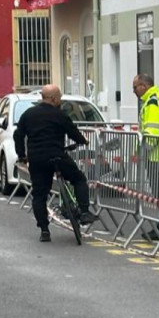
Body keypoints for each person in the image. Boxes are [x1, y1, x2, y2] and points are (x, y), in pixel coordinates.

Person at [14, 84, 96, 242]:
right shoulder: (59, 115)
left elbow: (18, 135)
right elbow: (73, 132)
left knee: (39, 194)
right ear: (53, 99)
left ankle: (44, 229)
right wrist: (83, 141)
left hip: (37, 158)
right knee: (78, 179)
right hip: (57, 156)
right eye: (59, 97)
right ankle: (84, 211)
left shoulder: (28, 114)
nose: (61, 99)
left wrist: (22, 155)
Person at [132, 74, 159, 242]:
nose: (134, 91)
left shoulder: (153, 102)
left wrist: (142, 151)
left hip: (156, 153)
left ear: (144, 86)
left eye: (135, 87)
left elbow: (151, 132)